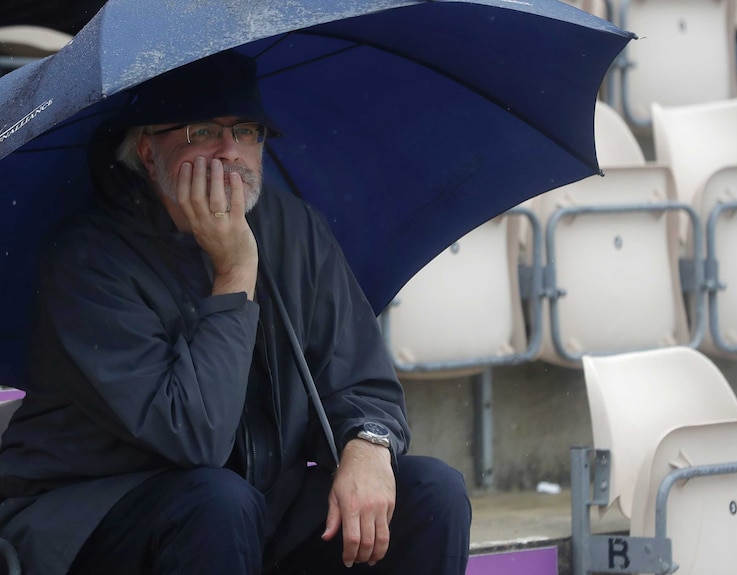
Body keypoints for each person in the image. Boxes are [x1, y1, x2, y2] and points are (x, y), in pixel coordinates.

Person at [0, 50, 471, 574]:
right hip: (94, 516)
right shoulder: (88, 260)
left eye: (247, 131)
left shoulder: (294, 228)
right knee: (217, 500)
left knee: (431, 492)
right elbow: (192, 437)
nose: (231, 152)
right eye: (202, 131)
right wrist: (235, 271)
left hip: (256, 503)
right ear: (147, 151)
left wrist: (368, 447)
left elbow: (360, 382)